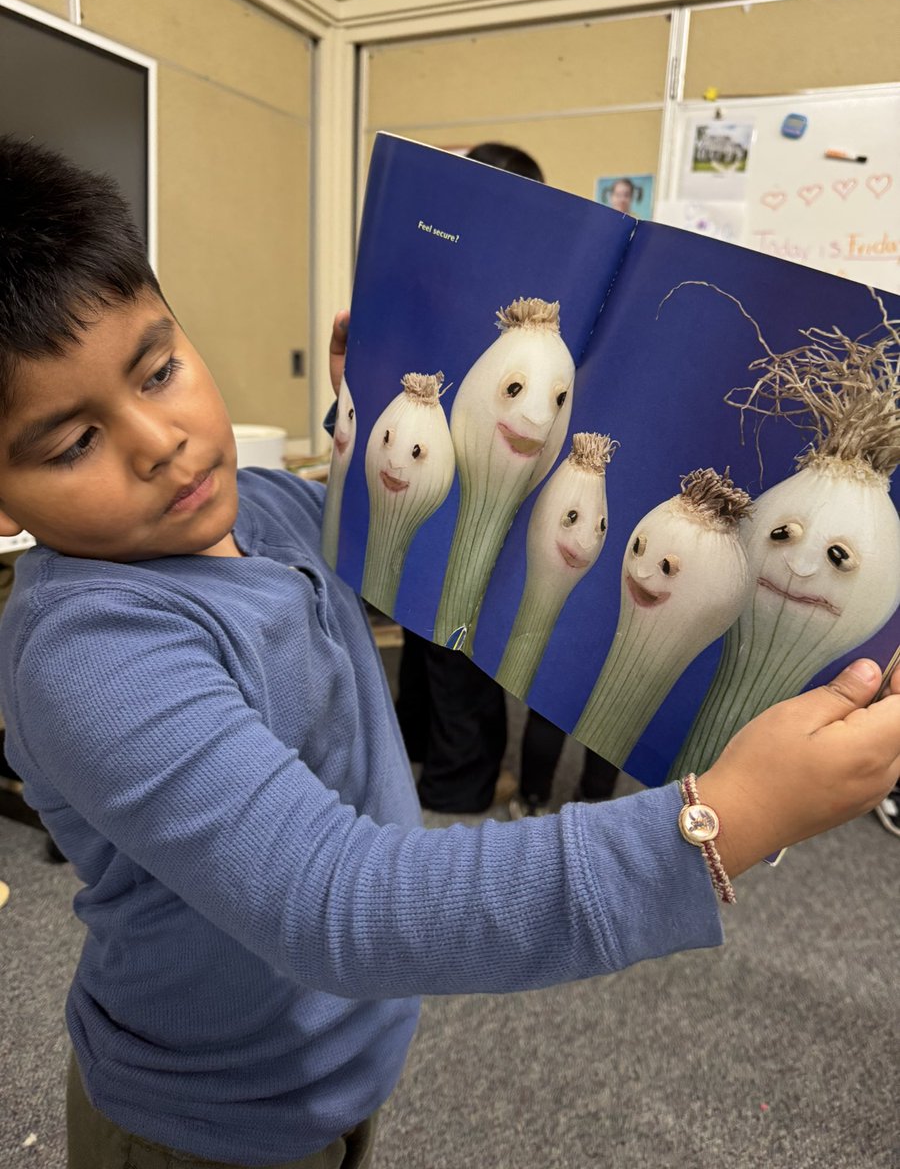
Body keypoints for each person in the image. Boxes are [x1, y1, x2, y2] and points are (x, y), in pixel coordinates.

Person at [1, 135, 898, 1169]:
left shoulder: (281, 515)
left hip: (337, 1061)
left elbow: (444, 523)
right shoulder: (89, 657)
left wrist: (373, 403)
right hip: (202, 1120)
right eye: (72, 441)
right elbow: (339, 904)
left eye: (158, 369)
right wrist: (720, 824)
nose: (158, 439)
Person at [395, 141, 545, 815]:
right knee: (463, 642)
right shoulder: (523, 288)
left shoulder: (426, 265)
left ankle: (414, 752)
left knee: (422, 626)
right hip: (479, 480)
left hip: (416, 470)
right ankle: (458, 784)